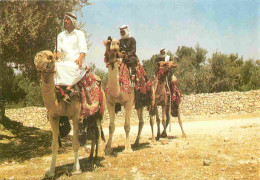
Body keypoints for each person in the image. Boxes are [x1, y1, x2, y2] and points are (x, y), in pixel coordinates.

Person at [54, 12, 88, 103]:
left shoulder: (79, 34)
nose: (65, 21)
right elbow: (58, 50)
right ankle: (58, 90)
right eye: (65, 19)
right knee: (54, 67)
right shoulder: (61, 35)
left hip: (75, 60)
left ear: (73, 21)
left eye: (67, 19)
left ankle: (67, 91)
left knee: (75, 68)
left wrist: (80, 58)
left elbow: (83, 49)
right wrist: (57, 55)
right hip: (63, 61)